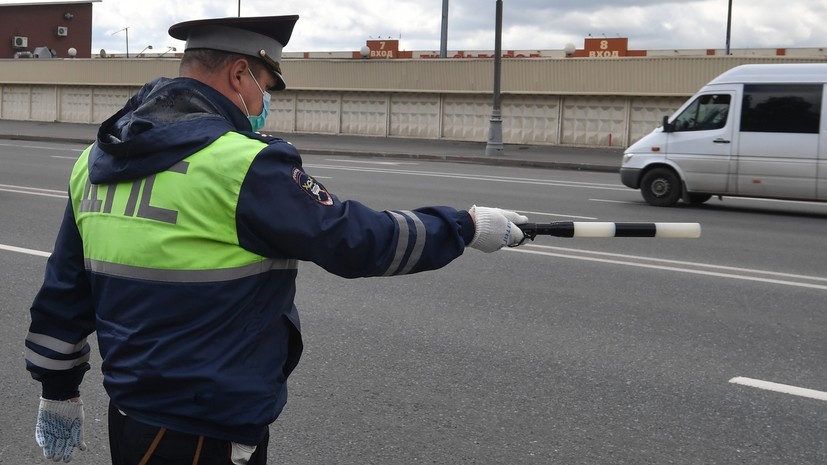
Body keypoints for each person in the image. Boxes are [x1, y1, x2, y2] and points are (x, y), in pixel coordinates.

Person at [24, 15, 529, 464]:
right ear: (240, 74)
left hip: (131, 417)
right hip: (209, 430)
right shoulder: (243, 164)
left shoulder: (94, 161)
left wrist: (58, 391)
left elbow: (65, 292)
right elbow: (358, 240)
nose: (264, 101)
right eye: (266, 84)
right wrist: (464, 226)